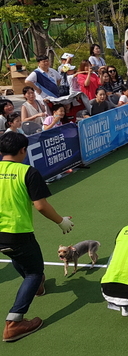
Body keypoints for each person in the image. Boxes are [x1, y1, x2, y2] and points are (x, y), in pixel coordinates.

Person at [0, 132, 74, 342]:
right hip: (17, 233)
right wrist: (61, 221)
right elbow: (40, 205)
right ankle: (13, 322)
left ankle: (37, 287)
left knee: (18, 258)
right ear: (23, 150)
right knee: (34, 271)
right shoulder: (27, 172)